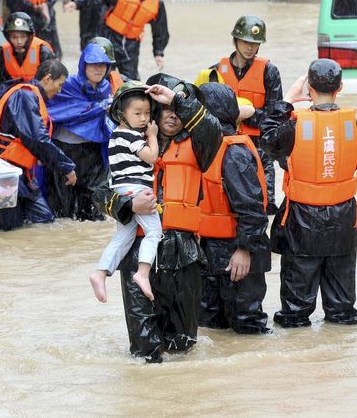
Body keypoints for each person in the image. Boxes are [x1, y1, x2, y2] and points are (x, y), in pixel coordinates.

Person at [92, 74, 221, 363]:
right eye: (164, 109)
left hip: (182, 255)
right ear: (153, 112)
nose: (172, 116)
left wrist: (176, 99)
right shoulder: (127, 144)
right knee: (143, 352)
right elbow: (99, 194)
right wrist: (128, 203)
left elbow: (213, 129)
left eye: (177, 110)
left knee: (182, 347)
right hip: (137, 255)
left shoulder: (200, 147)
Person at [260, 59, 357, 327]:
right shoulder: (356, 127)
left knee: (295, 312)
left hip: (302, 219)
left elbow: (266, 139)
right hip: (343, 218)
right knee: (342, 310)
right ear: (340, 87)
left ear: (308, 87)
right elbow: (356, 157)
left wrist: (286, 101)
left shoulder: (293, 127)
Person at [196, 83, 271, 334]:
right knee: (211, 327)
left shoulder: (234, 153)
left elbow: (252, 209)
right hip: (212, 252)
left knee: (247, 326)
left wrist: (244, 249)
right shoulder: (209, 146)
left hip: (238, 254)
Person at [197, 15, 283, 214]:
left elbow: (275, 118)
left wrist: (246, 114)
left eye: (255, 43)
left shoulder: (269, 72)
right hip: (225, 146)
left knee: (263, 208)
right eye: (245, 41)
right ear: (235, 40)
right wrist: (234, 114)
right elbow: (205, 113)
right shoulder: (215, 72)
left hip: (258, 148)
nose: (250, 48)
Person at [89, 81, 162, 303]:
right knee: (154, 232)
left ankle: (100, 272)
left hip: (121, 189)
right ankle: (143, 272)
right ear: (122, 115)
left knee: (123, 235)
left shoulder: (116, 136)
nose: (143, 118)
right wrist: (152, 135)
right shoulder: (131, 136)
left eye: (147, 113)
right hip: (135, 189)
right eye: (137, 113)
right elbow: (152, 157)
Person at [0, 60, 77, 231]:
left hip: (21, 176)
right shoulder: (24, 96)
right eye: (60, 84)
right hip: (3, 174)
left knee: (44, 221)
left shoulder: (31, 96)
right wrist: (66, 167)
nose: (60, 90)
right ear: (48, 79)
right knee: (9, 232)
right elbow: (36, 138)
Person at [45, 40, 115, 221]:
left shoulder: (107, 88)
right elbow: (53, 110)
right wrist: (98, 108)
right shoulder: (66, 85)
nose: (98, 69)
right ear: (84, 64)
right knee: (63, 209)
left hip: (93, 151)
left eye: (102, 65)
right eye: (93, 64)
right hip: (65, 149)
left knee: (93, 206)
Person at [64, 0, 168, 80]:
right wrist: (77, 2)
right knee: (102, 75)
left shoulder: (157, 2)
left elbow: (160, 30)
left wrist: (158, 53)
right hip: (109, 36)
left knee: (131, 80)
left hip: (131, 44)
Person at [0, 12, 56, 95]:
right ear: (8, 37)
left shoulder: (43, 51)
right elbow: (0, 81)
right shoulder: (2, 51)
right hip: (13, 95)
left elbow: (52, 81)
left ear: (29, 36)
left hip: (38, 95)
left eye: (23, 36)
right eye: (14, 37)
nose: (19, 41)